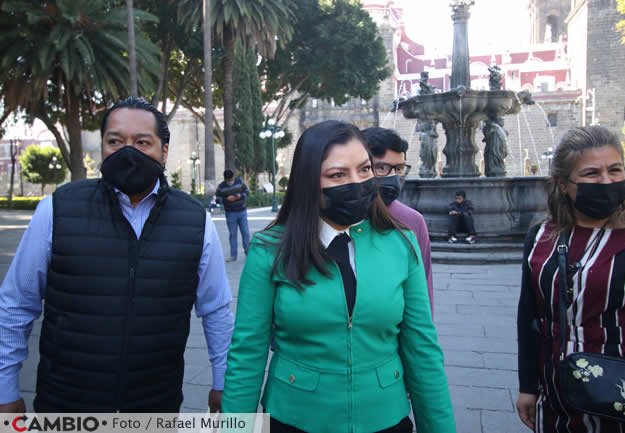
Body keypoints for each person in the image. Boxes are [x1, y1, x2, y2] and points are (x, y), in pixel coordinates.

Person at [0, 97, 234, 413]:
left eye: (142, 142)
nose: (128, 152)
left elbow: (216, 309)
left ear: (163, 152)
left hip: (155, 406)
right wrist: (5, 390)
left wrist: (223, 381)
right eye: (115, 141)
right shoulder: (57, 209)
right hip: (67, 405)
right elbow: (15, 305)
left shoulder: (195, 221)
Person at [220, 121, 455, 433]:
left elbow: (423, 349)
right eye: (337, 175)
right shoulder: (269, 250)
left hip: (384, 417)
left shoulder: (402, 243)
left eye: (365, 170)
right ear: (308, 182)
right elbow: (247, 354)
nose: (356, 183)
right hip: (295, 418)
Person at [516, 125, 625, 432]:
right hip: (558, 395)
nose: (606, 181)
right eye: (591, 174)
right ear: (563, 183)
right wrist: (528, 384)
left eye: (615, 170)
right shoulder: (541, 238)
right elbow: (529, 316)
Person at [362, 127, 435, 318]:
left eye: (399, 169)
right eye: (382, 168)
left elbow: (423, 291)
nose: (393, 177)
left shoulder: (412, 221)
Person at [217, 170, 250, 262]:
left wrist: (240, 196)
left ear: (233, 177)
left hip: (242, 211)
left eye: (231, 179)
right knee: (232, 234)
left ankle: (248, 252)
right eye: (228, 180)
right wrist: (226, 199)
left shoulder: (239, 182)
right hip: (230, 213)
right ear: (225, 179)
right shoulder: (221, 187)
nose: (230, 182)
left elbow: (247, 192)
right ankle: (233, 255)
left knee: (245, 233)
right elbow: (217, 199)